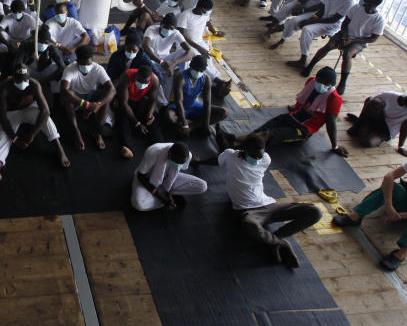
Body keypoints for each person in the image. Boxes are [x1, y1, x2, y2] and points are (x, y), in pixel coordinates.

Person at [223, 134, 321, 268]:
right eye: (254, 156)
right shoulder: (230, 156)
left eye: (260, 156)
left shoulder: (266, 159)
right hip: (250, 210)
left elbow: (259, 160)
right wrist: (198, 162)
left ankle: (275, 239)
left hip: (270, 204)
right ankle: (282, 244)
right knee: (249, 224)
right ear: (245, 149)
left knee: (315, 212)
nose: (258, 159)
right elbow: (216, 160)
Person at [219, 67, 348, 156]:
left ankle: (234, 147)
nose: (319, 84)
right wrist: (295, 109)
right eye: (318, 81)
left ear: (330, 85)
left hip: (304, 129)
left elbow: (331, 123)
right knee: (261, 129)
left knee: (268, 135)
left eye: (323, 83)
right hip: (293, 117)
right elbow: (302, 99)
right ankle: (233, 139)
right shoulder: (311, 82)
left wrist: (335, 146)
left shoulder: (335, 99)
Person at [0, 64, 70, 182]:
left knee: (47, 119)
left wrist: (31, 135)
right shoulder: (4, 87)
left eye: (25, 80)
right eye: (19, 80)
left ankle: (59, 149)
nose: (22, 83)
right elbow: (2, 116)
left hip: (30, 109)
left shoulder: (34, 84)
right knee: (1, 131)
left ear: (29, 78)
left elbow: (45, 111)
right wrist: (14, 138)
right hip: (11, 112)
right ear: (12, 78)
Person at [300, 0, 385, 94]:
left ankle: (342, 82)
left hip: (359, 41)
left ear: (372, 5)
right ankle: (310, 66)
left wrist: (352, 40)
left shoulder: (379, 20)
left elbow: (373, 39)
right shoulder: (356, 8)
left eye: (365, 0)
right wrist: (345, 36)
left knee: (347, 54)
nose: (362, 0)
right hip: (345, 34)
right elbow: (345, 23)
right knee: (328, 46)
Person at [269, 0, 353, 54]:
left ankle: (303, 57)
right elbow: (322, 7)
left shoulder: (349, 3)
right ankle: (282, 40)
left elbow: (333, 19)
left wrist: (311, 22)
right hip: (321, 16)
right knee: (294, 21)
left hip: (331, 24)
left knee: (307, 30)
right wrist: (312, 17)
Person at [60, 45, 116, 150]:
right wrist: (85, 104)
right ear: (77, 61)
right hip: (76, 99)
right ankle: (76, 132)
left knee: (105, 96)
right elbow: (64, 90)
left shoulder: (98, 68)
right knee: (67, 97)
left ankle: (97, 130)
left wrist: (98, 105)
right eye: (83, 63)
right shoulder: (70, 69)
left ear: (92, 60)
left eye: (88, 63)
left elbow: (112, 89)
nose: (86, 66)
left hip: (91, 96)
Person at [346, 89, 407, 155]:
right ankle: (358, 124)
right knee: (375, 102)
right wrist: (360, 122)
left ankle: (363, 127)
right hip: (378, 118)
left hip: (388, 130)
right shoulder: (389, 96)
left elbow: (406, 126)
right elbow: (368, 101)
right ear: (406, 101)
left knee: (367, 142)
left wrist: (401, 146)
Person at [130, 142, 207, 211]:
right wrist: (162, 198)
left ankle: (165, 197)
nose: (178, 166)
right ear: (169, 154)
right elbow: (140, 176)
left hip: (166, 178)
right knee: (139, 204)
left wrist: (168, 193)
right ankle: (164, 198)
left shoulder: (187, 156)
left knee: (202, 186)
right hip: (148, 179)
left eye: (180, 164)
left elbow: (172, 177)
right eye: (176, 163)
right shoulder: (153, 151)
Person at [166, 55, 227, 137]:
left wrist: (206, 124)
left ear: (204, 70)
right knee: (169, 116)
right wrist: (184, 123)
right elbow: (178, 101)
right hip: (177, 107)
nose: (198, 72)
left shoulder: (206, 79)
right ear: (191, 66)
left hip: (193, 105)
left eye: (200, 70)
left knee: (223, 112)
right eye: (196, 69)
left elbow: (207, 102)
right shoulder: (180, 76)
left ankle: (193, 126)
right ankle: (189, 124)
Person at [115, 65, 162, 159]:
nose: (142, 84)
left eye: (145, 82)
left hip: (141, 102)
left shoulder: (155, 80)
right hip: (127, 102)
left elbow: (153, 100)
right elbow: (124, 103)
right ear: (136, 76)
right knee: (123, 118)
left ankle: (159, 144)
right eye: (140, 81)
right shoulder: (127, 76)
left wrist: (150, 113)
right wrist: (137, 123)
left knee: (152, 119)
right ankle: (126, 146)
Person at [175, 0, 224, 81]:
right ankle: (215, 80)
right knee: (199, 60)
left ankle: (216, 78)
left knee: (208, 60)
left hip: (200, 42)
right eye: (208, 11)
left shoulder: (205, 15)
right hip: (186, 44)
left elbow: (208, 22)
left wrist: (215, 32)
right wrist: (199, 48)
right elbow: (183, 35)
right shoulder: (186, 15)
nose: (208, 13)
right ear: (201, 8)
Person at [13, 26, 66, 92]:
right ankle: (25, 85)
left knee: (56, 68)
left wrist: (44, 80)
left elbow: (62, 67)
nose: (43, 44)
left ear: (49, 42)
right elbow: (17, 64)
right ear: (35, 40)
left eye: (46, 42)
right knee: (21, 67)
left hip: (44, 74)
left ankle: (54, 93)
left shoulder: (52, 48)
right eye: (40, 41)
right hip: (29, 72)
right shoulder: (25, 45)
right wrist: (26, 76)